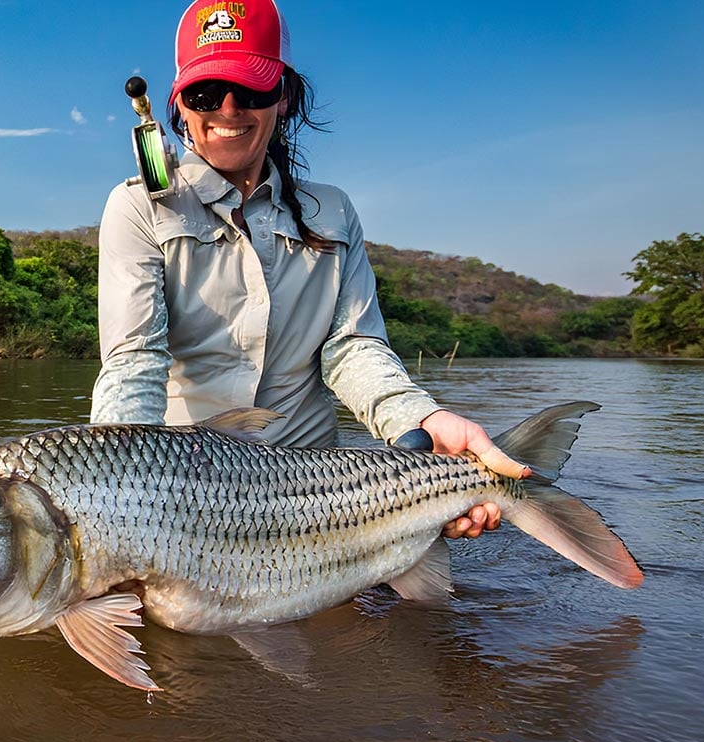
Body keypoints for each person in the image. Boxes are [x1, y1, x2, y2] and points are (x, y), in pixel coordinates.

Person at [91, 0, 528, 539]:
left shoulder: (335, 211)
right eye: (206, 93)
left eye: (250, 90)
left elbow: (353, 348)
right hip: (184, 491)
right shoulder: (136, 207)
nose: (228, 110)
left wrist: (420, 420)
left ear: (285, 96)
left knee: (403, 617)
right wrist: (107, 492)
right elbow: (135, 359)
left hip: (316, 489)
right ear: (179, 104)